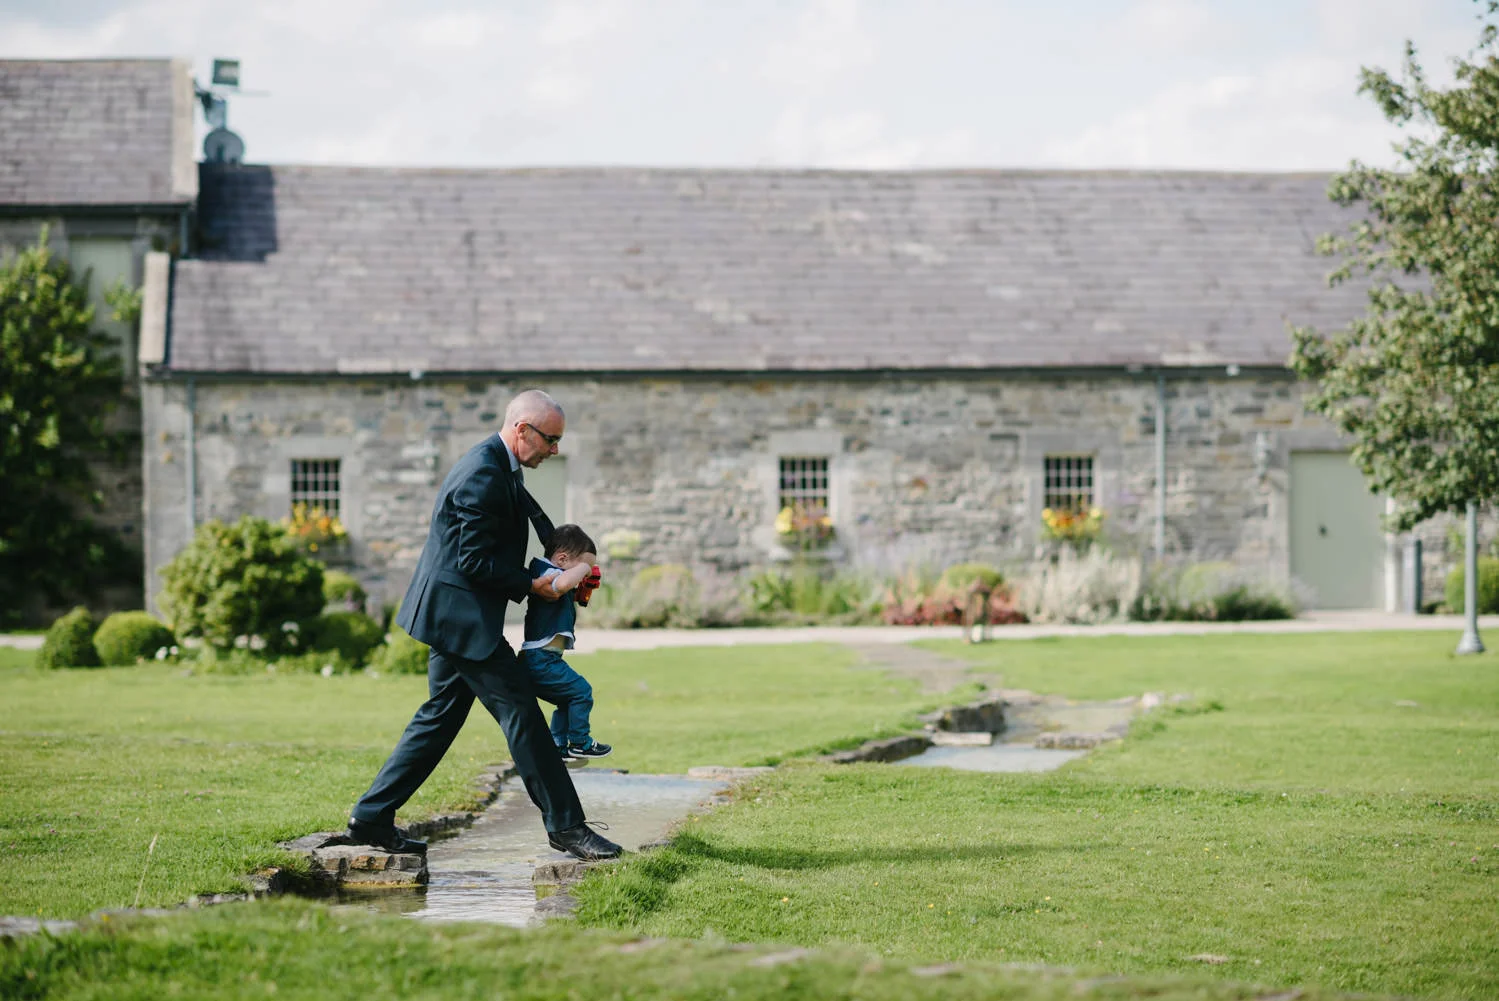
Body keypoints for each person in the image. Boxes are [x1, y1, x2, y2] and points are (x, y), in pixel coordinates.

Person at [345, 390, 621, 862]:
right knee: (524, 716)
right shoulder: (483, 473)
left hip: (455, 617)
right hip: (461, 621)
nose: (555, 450)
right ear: (522, 431)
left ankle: (370, 818)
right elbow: (473, 560)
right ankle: (567, 827)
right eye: (550, 440)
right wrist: (538, 585)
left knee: (437, 720)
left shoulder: (499, 466)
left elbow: (529, 519)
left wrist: (573, 564)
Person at [519, 523, 612, 760]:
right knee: (582, 692)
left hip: (543, 658)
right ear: (561, 559)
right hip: (541, 659)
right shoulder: (547, 572)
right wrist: (582, 568)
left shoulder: (557, 573)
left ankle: (558, 745)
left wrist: (580, 587)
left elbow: (565, 588)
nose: (587, 571)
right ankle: (580, 742)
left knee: (566, 700)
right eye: (584, 566)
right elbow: (560, 584)